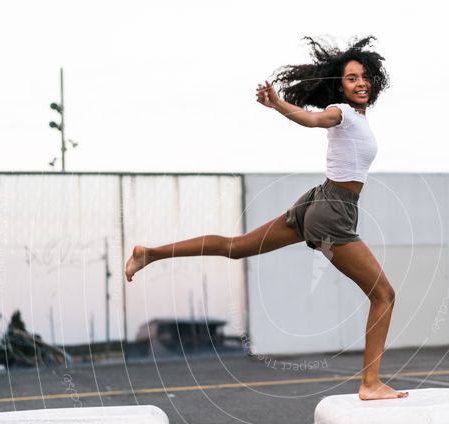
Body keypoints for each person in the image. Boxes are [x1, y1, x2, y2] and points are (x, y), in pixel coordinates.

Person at [125, 36, 407, 400]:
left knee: (237, 247)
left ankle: (150, 253)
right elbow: (312, 119)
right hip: (332, 212)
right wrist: (278, 104)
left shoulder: (358, 118)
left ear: (375, 81)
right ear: (340, 85)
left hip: (318, 203)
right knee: (383, 294)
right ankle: (369, 384)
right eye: (352, 77)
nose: (360, 83)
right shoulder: (341, 113)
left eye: (365, 76)